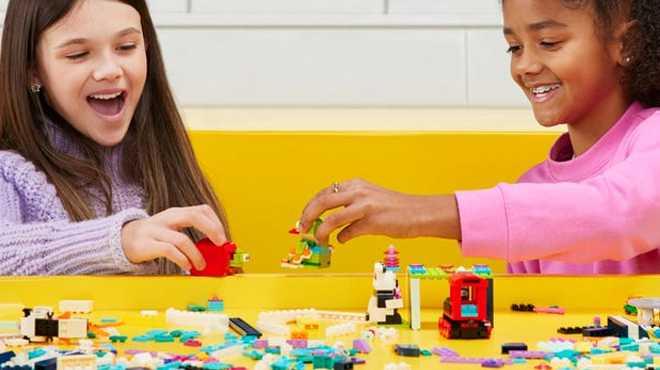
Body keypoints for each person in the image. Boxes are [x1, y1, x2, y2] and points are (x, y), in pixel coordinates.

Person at [299, 0, 660, 274]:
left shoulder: (653, 136)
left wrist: (423, 212)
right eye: (515, 47)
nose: (525, 66)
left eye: (549, 42)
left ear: (626, 43)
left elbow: (621, 214)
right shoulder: (531, 192)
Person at [0, 0, 230, 275]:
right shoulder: (10, 174)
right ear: (32, 68)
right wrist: (117, 241)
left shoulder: (166, 165)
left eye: (126, 47)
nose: (109, 70)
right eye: (78, 54)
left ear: (146, 48)